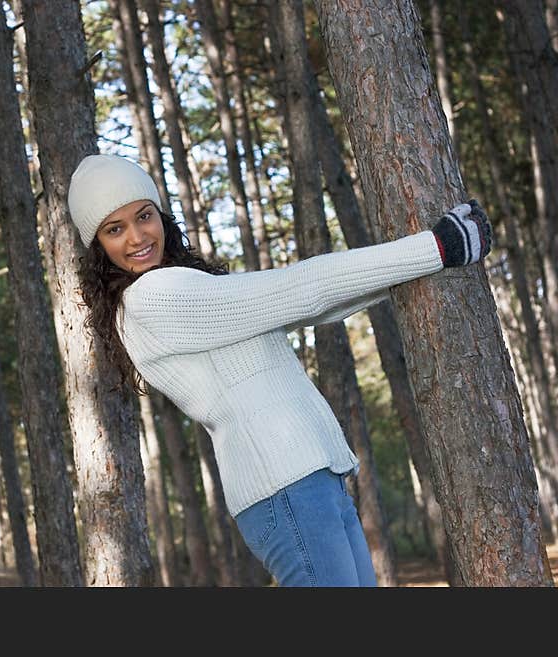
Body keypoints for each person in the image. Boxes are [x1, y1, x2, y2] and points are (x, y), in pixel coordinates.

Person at [68, 154, 491, 587]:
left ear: (161, 215)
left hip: (305, 485)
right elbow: (296, 290)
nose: (138, 237)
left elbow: (317, 305)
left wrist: (409, 271)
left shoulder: (180, 286)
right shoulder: (153, 297)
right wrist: (436, 248)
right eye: (115, 229)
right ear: (97, 245)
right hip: (286, 490)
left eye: (144, 216)